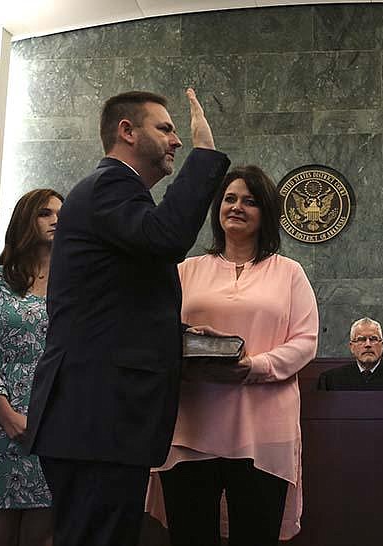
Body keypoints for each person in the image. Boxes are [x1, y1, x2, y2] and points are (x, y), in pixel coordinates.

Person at [25, 89, 230, 546]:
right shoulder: (110, 186)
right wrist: (206, 153)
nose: (176, 140)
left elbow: (110, 306)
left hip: (99, 419)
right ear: (126, 131)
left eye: (177, 132)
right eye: (165, 128)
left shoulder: (115, 195)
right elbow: (166, 237)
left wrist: (183, 337)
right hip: (96, 416)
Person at [149, 165, 318, 546]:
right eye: (229, 198)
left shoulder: (289, 273)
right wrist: (188, 340)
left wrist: (252, 367)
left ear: (266, 213)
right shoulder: (186, 270)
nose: (237, 207)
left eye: (250, 201)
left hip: (263, 429)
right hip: (192, 424)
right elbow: (155, 333)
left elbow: (305, 341)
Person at [0, 189, 62, 546]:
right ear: (27, 220)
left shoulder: (74, 285)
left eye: (62, 213)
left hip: (55, 418)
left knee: (43, 534)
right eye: (45, 213)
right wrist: (7, 416)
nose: (57, 219)